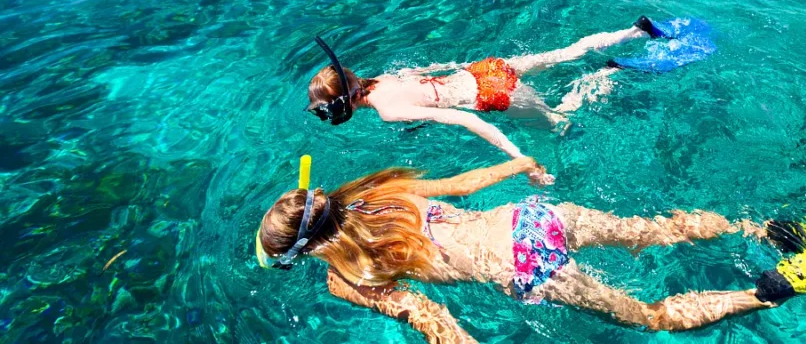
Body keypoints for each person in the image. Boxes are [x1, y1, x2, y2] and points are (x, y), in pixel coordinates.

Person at [255, 156, 774, 343]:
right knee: (652, 230)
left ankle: (763, 294)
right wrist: (519, 163)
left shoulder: (344, 278)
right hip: (534, 216)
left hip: (527, 267)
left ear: (301, 252)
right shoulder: (377, 195)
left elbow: (431, 317)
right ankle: (755, 227)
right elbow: (463, 184)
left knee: (652, 317)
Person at [305, 18, 667, 170]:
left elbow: (463, 117)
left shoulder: (386, 110)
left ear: (346, 104)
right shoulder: (380, 79)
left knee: (562, 124)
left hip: (493, 95)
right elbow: (433, 70)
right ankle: (635, 31)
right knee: (565, 53)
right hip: (482, 69)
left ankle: (607, 74)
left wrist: (516, 157)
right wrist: (464, 64)